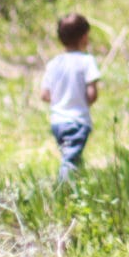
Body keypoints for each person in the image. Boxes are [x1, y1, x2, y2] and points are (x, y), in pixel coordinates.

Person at [39, 11, 102, 180]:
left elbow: (45, 95)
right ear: (84, 37)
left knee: (72, 156)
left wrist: (60, 99)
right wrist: (81, 99)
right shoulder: (87, 61)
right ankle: (62, 192)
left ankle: (76, 186)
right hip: (78, 121)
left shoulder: (54, 63)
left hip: (57, 122)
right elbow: (92, 94)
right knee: (70, 161)